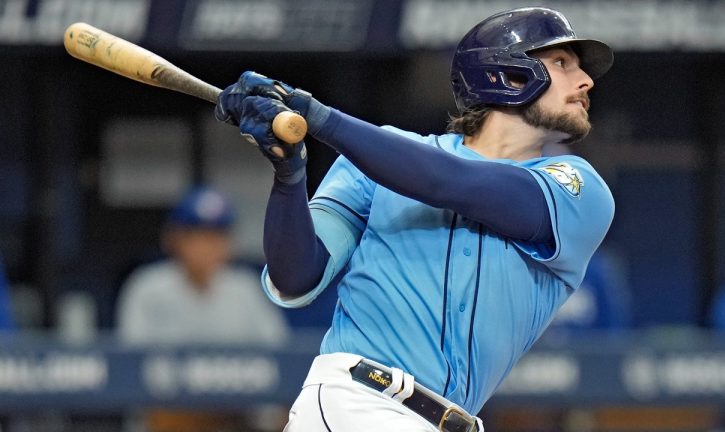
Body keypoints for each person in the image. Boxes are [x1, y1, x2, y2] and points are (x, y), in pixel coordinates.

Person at [215, 7, 614, 432]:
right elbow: (296, 278)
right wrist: (289, 176)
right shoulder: (371, 161)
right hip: (357, 402)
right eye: (562, 63)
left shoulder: (581, 189)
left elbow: (453, 183)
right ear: (507, 74)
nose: (586, 80)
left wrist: (319, 118)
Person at [115, 185, 289, 346]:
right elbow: (130, 360)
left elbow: (279, 354)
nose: (206, 247)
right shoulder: (147, 287)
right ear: (173, 239)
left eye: (216, 237)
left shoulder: (246, 289)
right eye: (197, 236)